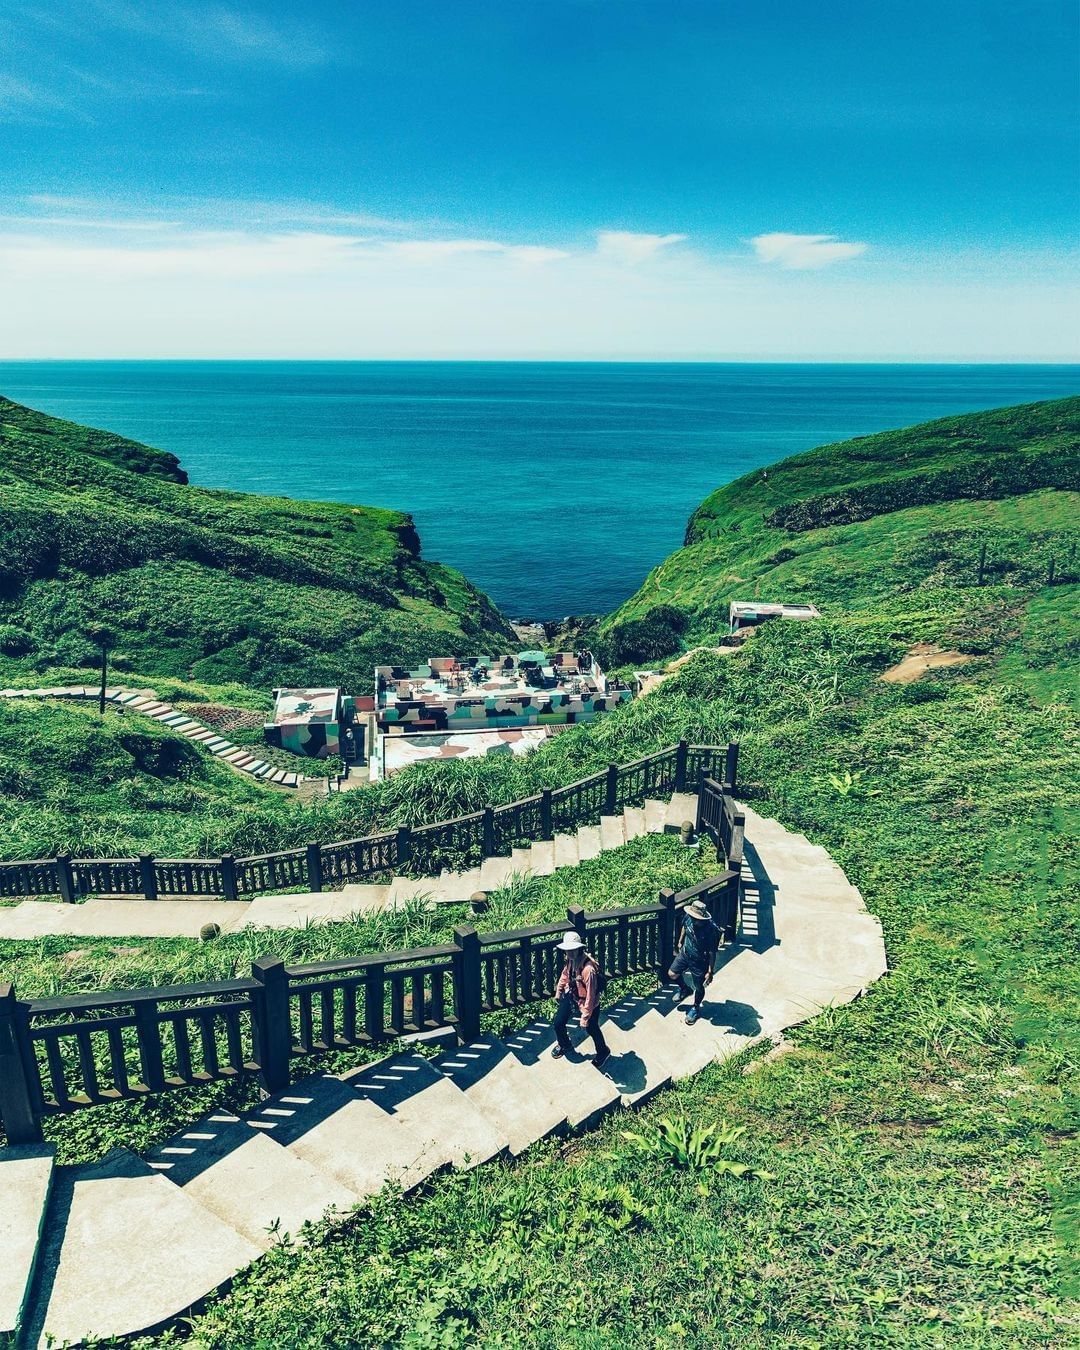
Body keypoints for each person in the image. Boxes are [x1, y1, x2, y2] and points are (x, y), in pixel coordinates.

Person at [551, 932, 610, 1068]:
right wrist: (559, 991)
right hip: (572, 994)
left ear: (579, 948)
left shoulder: (588, 970)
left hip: (588, 1002)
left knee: (592, 1028)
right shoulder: (570, 961)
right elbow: (565, 974)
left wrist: (585, 1017)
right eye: (567, 950)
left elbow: (591, 995)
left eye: (573, 950)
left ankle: (603, 1051)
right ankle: (564, 1044)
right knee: (558, 1022)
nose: (570, 953)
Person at [668, 898, 721, 1025]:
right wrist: (680, 941)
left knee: (699, 986)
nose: (692, 918)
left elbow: (712, 952)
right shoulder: (688, 917)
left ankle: (696, 1007)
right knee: (672, 974)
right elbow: (684, 927)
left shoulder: (710, 930)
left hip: (699, 961)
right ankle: (684, 989)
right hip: (685, 953)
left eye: (695, 917)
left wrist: (710, 971)